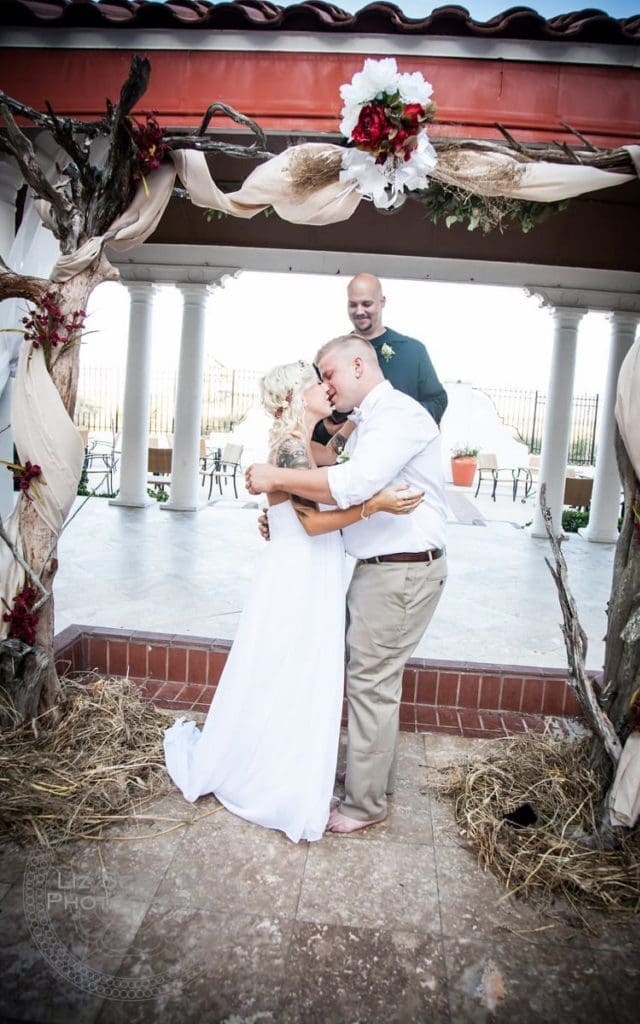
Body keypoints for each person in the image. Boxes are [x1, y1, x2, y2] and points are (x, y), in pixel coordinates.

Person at [163, 360, 422, 844]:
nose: (325, 387)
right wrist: (377, 505)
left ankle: (289, 763)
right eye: (314, 382)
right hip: (297, 573)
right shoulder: (288, 449)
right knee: (290, 668)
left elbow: (338, 461)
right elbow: (313, 523)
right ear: (292, 398)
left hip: (309, 568)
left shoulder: (309, 447)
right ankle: (274, 776)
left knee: (295, 669)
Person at [246, 335, 449, 835]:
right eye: (317, 380)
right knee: (371, 681)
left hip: (400, 568)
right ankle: (370, 777)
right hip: (379, 566)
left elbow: (353, 485)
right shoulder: (368, 421)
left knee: (370, 684)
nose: (326, 386)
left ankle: (364, 803)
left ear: (358, 365)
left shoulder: (397, 415)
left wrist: (273, 478)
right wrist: (284, 513)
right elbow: (323, 492)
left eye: (328, 374)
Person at [311, 273, 448, 445]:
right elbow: (313, 412)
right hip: (347, 454)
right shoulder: (333, 357)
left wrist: (402, 419)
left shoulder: (413, 350)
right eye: (353, 305)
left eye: (366, 304)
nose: (359, 311)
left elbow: (437, 401)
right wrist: (328, 429)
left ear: (382, 302)